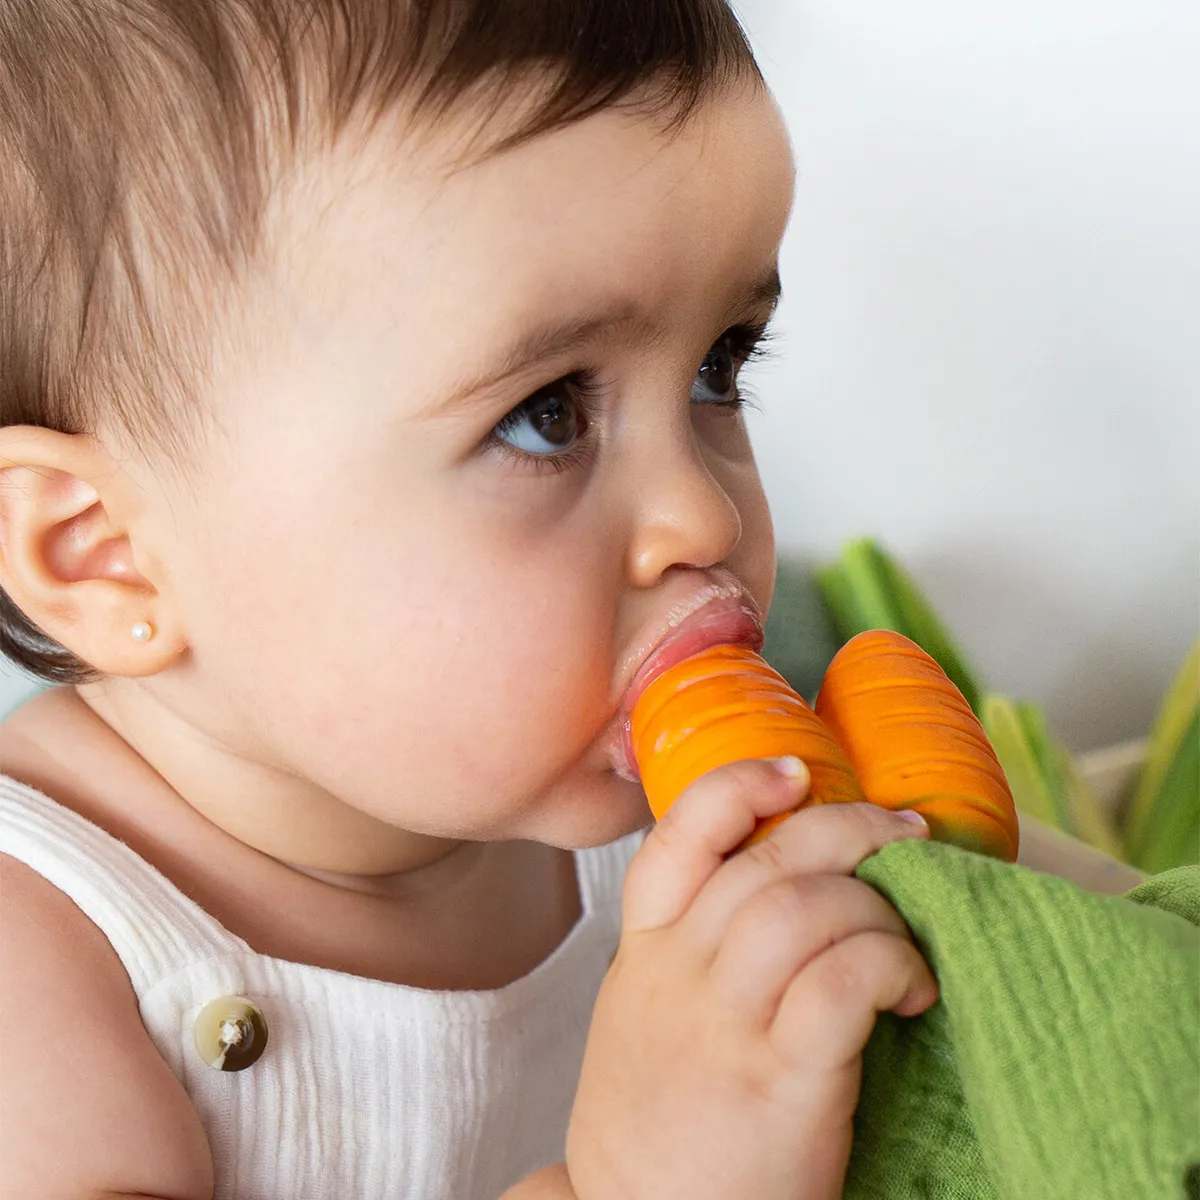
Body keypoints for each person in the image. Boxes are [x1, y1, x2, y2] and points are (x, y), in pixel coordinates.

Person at [0, 2, 940, 1197]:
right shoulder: (42, 957)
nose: (705, 518)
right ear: (106, 555)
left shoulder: (685, 801)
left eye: (721, 364)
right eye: (545, 414)